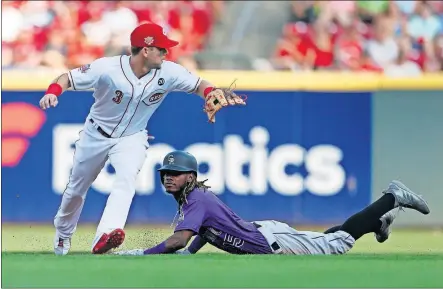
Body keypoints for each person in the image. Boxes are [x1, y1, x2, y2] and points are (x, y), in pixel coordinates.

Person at [39, 22, 246, 255]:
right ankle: (63, 235)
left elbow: (199, 84)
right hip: (95, 134)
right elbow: (66, 78)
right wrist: (52, 93)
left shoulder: (169, 72)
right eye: (161, 48)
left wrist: (210, 92)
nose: (166, 53)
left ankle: (106, 235)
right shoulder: (107, 68)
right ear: (145, 50)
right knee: (76, 189)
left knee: (126, 180)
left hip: (132, 137)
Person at [114, 150, 430, 256]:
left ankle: (392, 197)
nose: (169, 177)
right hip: (265, 233)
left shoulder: (195, 198)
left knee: (336, 245)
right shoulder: (195, 198)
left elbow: (177, 240)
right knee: (324, 240)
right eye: (166, 173)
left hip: (271, 241)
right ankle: (374, 222)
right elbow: (204, 231)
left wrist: (143, 252)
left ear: (191, 176)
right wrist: (190, 253)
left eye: (176, 173)